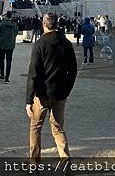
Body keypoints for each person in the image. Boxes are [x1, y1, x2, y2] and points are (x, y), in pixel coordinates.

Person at [26, 12, 77, 165]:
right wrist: (67, 89)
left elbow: (33, 73)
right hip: (60, 93)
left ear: (43, 24)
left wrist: (28, 100)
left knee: (35, 128)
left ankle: (34, 164)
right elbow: (73, 70)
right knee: (58, 128)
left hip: (41, 94)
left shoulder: (40, 44)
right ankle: (66, 162)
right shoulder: (66, 43)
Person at [0, 11, 19, 83]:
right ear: (11, 16)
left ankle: (2, 75)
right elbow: (16, 33)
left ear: (6, 16)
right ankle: (7, 77)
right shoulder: (14, 25)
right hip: (10, 45)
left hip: (2, 44)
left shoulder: (1, 24)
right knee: (9, 61)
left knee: (1, 60)